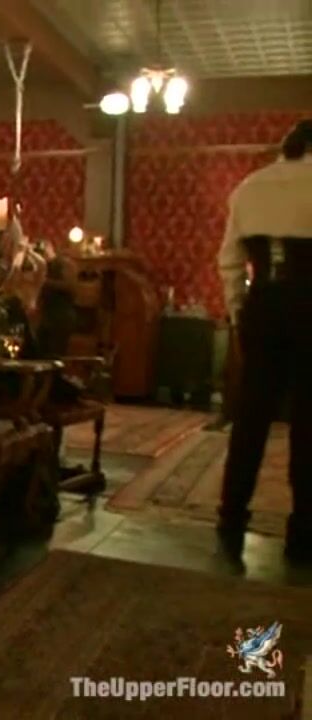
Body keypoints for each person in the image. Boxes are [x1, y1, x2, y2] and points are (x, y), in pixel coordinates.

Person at [215, 119, 312, 565]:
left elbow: (230, 262)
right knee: (308, 424)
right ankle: (303, 532)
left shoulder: (251, 187)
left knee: (251, 418)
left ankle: (231, 516)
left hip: (265, 306)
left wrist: (239, 314)